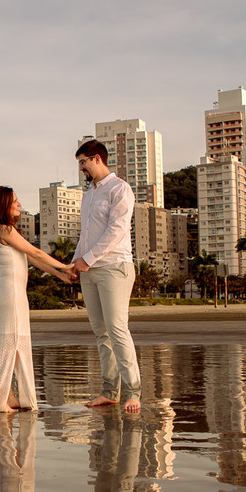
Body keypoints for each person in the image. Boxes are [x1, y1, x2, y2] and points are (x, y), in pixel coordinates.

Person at [0, 186, 75, 412]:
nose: (19, 204)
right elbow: (36, 253)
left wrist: (60, 275)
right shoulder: (5, 229)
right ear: (3, 205)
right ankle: (0, 397)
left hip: (10, 293)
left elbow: (32, 260)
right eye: (15, 201)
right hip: (10, 293)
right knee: (12, 344)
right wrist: (65, 264)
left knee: (13, 345)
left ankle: (9, 396)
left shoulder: (6, 231)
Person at [72, 140, 142, 413]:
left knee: (117, 328)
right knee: (101, 333)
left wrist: (87, 260)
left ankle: (133, 392)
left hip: (115, 267)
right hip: (89, 271)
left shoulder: (120, 189)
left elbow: (117, 231)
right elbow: (85, 236)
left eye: (83, 162)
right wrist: (75, 265)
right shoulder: (88, 195)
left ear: (97, 158)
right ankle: (109, 392)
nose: (81, 169)